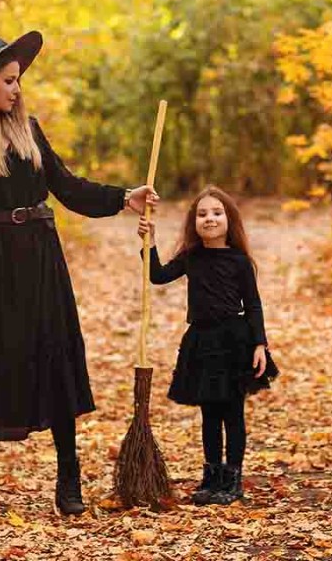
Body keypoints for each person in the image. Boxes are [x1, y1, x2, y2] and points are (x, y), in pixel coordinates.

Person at [0, 15, 158, 514]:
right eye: (7, 81)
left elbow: (68, 187)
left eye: (17, 80)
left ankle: (69, 481)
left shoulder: (30, 131)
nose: (17, 90)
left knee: (52, 353)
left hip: (40, 256)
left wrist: (122, 198)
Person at [135, 186, 278, 505]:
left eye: (216, 213)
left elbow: (253, 305)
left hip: (234, 342)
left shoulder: (240, 261)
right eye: (202, 214)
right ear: (193, 222)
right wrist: (149, 241)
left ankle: (233, 480)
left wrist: (259, 344)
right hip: (202, 340)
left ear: (229, 220)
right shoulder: (192, 257)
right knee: (210, 413)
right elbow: (157, 276)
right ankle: (212, 478)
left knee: (233, 413)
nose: (209, 219)